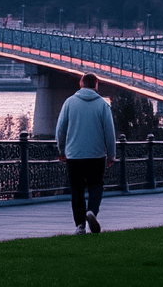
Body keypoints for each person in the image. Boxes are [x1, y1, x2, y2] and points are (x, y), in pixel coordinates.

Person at [55, 72, 116, 234]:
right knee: (96, 185)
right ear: (96, 85)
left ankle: (80, 225)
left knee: (77, 190)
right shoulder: (102, 105)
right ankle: (92, 211)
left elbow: (60, 129)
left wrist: (61, 149)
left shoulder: (69, 103)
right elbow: (109, 133)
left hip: (74, 155)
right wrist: (111, 154)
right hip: (97, 155)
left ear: (81, 84)